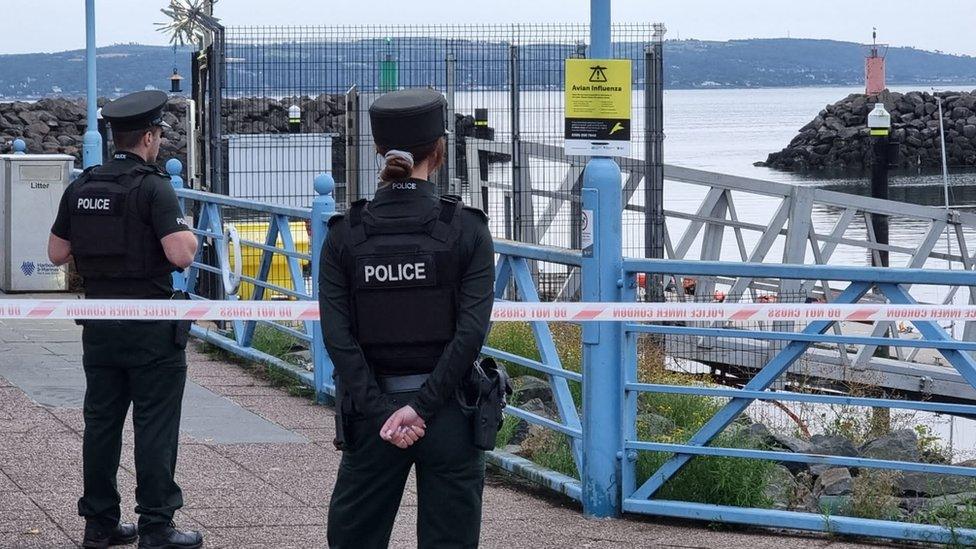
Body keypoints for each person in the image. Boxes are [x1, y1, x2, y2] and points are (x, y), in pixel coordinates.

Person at [319, 88, 495, 548]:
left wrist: (386, 411)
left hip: (372, 415)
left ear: (379, 151)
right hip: (451, 414)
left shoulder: (345, 235)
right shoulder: (467, 229)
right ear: (438, 152)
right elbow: (470, 333)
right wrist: (423, 408)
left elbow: (337, 337)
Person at [47, 90, 202, 549]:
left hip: (98, 325)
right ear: (150, 137)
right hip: (151, 327)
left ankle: (99, 524)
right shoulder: (154, 187)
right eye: (158, 137)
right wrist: (188, 234)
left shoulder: (82, 185)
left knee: (101, 424)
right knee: (154, 425)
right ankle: (156, 526)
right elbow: (180, 254)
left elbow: (56, 253)